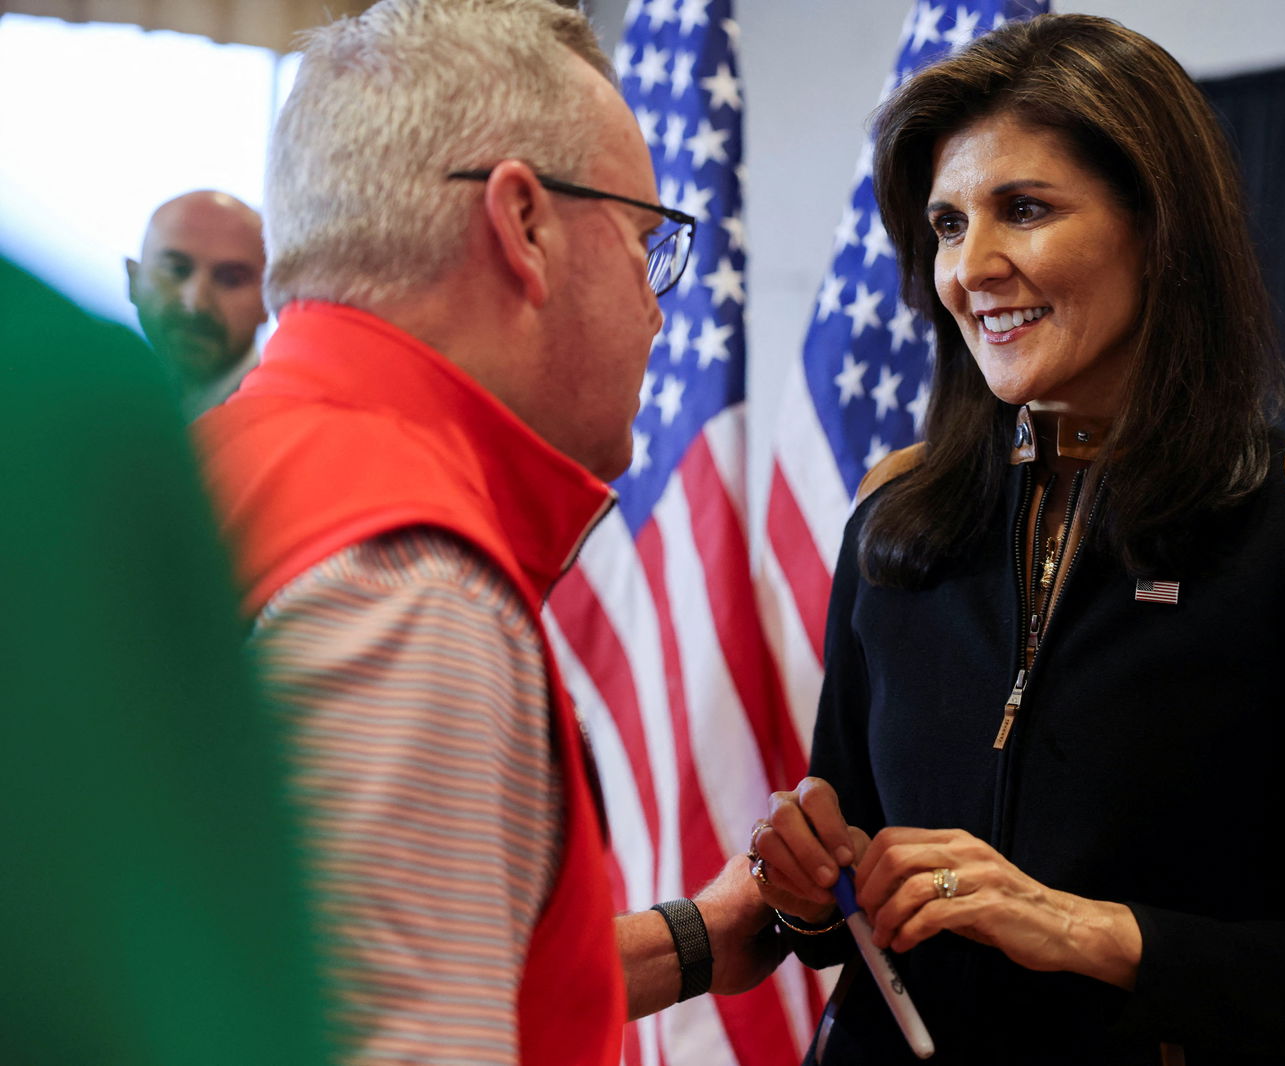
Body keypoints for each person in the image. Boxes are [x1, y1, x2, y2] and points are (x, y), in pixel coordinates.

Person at [747, 15, 1285, 1065]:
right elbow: (840, 898)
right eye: (944, 224)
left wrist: (1088, 930)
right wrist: (808, 892)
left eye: (1021, 210)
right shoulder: (894, 526)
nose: (970, 267)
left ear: (1157, 227)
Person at [194, 2, 777, 1063]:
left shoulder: (234, 465)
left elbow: (387, 963)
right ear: (524, 225)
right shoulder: (410, 580)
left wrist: (705, 938)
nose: (658, 314)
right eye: (646, 244)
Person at [0, 256, 329, 1066]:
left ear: (272, 293)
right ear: (132, 275)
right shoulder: (74, 405)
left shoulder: (93, 414)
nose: (193, 299)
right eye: (176, 270)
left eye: (228, 275)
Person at [125, 189, 267, 416]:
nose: (196, 304)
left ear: (270, 299)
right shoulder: (81, 398)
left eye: (231, 279)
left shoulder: (288, 423)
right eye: (176, 270)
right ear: (133, 280)